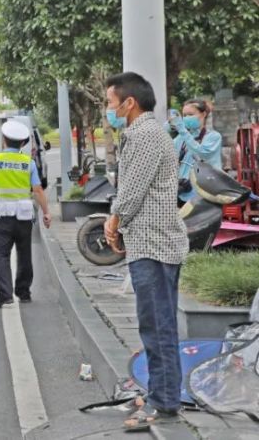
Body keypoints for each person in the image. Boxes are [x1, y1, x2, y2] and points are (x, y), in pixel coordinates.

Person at [102, 72, 188, 430]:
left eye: (110, 104)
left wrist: (113, 221)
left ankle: (163, 402)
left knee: (157, 327)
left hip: (154, 244)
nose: (109, 110)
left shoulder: (145, 135)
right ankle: (161, 391)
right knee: (156, 325)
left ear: (129, 103)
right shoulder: (146, 133)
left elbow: (133, 191)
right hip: (152, 241)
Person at [0, 120, 52, 308]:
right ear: (23, 143)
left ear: (4, 141)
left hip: (3, 216)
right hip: (24, 216)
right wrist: (46, 212)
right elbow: (38, 190)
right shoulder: (28, 162)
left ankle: (5, 293)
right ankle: (24, 292)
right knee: (24, 253)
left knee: (0, 254)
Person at [169, 99, 222, 204]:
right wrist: (165, 130)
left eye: (190, 114)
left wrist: (182, 130)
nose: (186, 118)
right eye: (184, 115)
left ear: (203, 114)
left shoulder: (213, 137)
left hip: (205, 196)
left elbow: (202, 152)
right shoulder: (181, 138)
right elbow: (165, 151)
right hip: (182, 194)